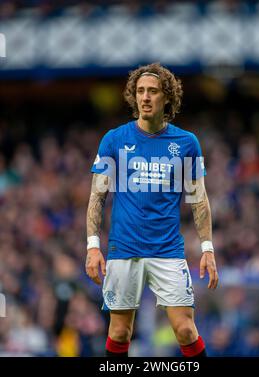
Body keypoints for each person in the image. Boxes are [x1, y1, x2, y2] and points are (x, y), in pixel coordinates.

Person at [85, 62, 219, 357]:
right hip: (123, 249)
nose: (145, 97)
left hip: (167, 250)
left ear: (167, 97)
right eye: (140, 91)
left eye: (153, 91)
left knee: (185, 330)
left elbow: (198, 199)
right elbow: (97, 196)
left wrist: (207, 248)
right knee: (120, 331)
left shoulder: (186, 143)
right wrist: (93, 246)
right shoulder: (114, 140)